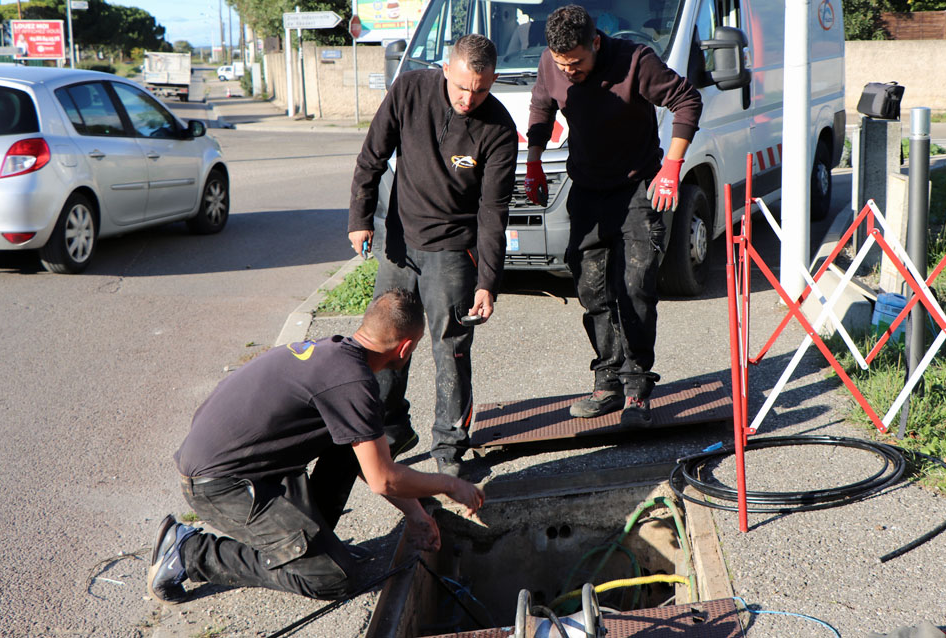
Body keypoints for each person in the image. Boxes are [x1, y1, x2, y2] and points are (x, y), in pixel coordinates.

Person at [147, 289, 485, 603]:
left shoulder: (334, 355)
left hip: (247, 466)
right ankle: (189, 551)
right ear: (405, 348)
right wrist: (449, 484)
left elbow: (369, 465)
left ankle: (312, 541)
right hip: (220, 485)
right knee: (331, 578)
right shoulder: (353, 382)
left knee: (352, 446)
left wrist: (416, 514)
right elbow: (383, 478)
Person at [347, 34, 519, 477]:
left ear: (493, 81)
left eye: (481, 90)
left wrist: (487, 282)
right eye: (462, 87)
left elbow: (493, 211)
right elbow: (372, 157)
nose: (469, 98)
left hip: (452, 252)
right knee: (384, 341)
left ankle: (449, 447)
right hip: (400, 244)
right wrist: (360, 217)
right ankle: (389, 427)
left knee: (450, 348)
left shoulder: (498, 128)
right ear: (446, 69)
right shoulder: (409, 91)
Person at [523, 5, 702, 428]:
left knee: (636, 286)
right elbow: (541, 109)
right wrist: (533, 161)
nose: (569, 72)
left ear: (596, 43)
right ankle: (607, 381)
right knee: (592, 288)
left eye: (578, 63)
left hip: (637, 187)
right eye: (563, 64)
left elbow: (686, 100)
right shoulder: (552, 63)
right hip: (586, 190)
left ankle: (637, 388)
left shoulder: (635, 61)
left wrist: (672, 167)